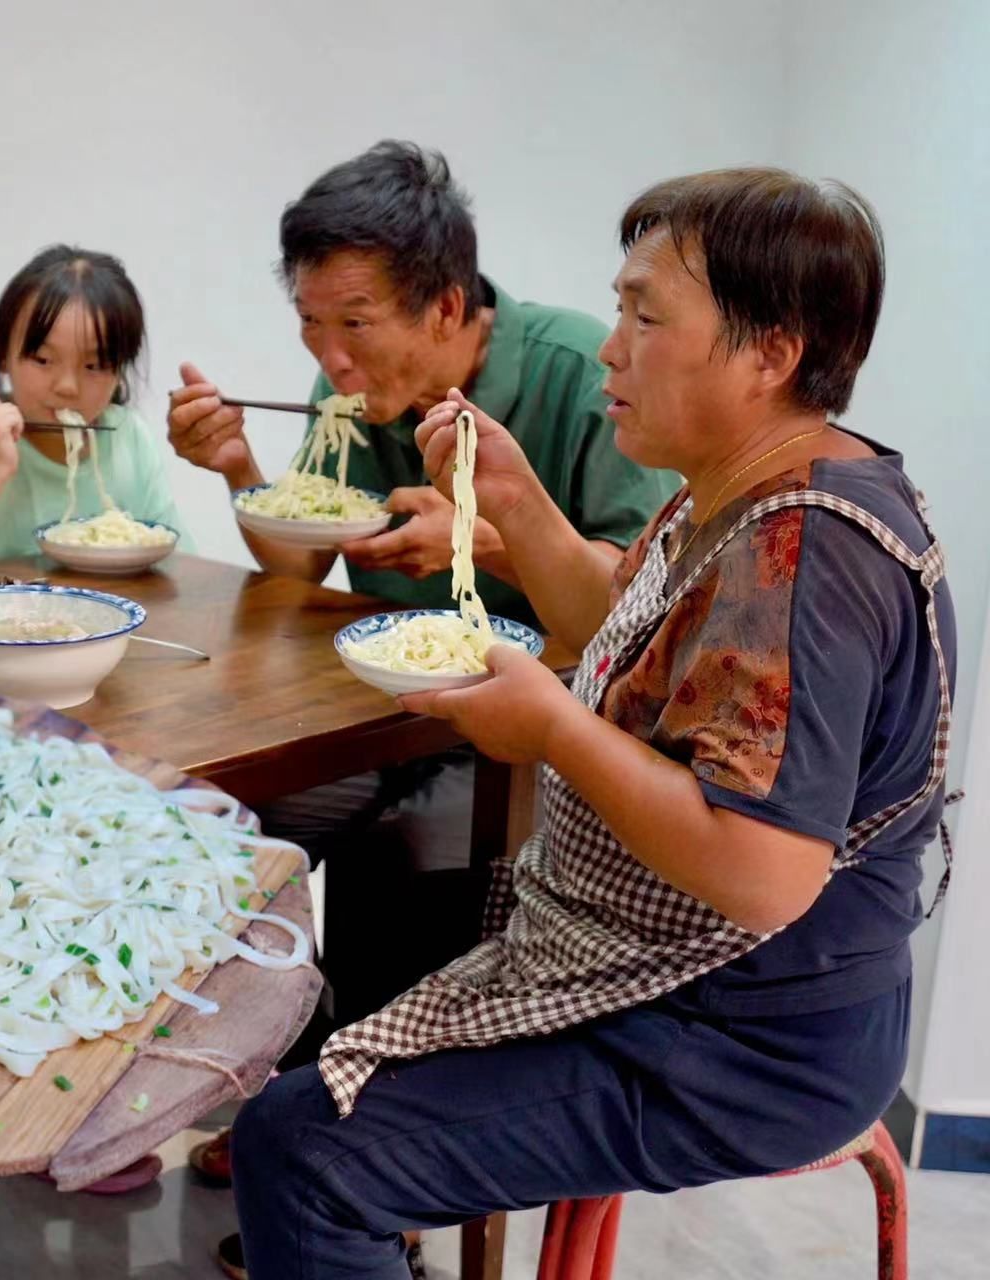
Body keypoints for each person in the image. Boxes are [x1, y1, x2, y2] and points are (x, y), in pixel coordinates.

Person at [230, 168, 952, 1280]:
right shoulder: (742, 485)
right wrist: (513, 502)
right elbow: (623, 621)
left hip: (741, 1035)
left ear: (769, 351)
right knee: (351, 1016)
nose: (609, 347)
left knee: (302, 1147)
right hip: (675, 973)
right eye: (616, 311)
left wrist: (555, 729)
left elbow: (763, 874)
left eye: (645, 317)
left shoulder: (803, 549)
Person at [170, 145, 678, 1211]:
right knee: (230, 825)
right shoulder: (341, 390)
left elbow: (645, 608)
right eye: (311, 323)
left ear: (446, 306)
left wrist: (481, 536)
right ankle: (292, 1095)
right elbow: (298, 557)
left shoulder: (579, 373)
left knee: (401, 864)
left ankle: (366, 1163)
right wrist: (236, 471)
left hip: (532, 730)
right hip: (380, 708)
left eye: (353, 322)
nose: (329, 356)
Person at [0, 244, 189, 568]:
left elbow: (174, 558)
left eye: (94, 366)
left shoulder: (127, 435)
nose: (67, 386)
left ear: (119, 371)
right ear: (4, 354)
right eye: (44, 360)